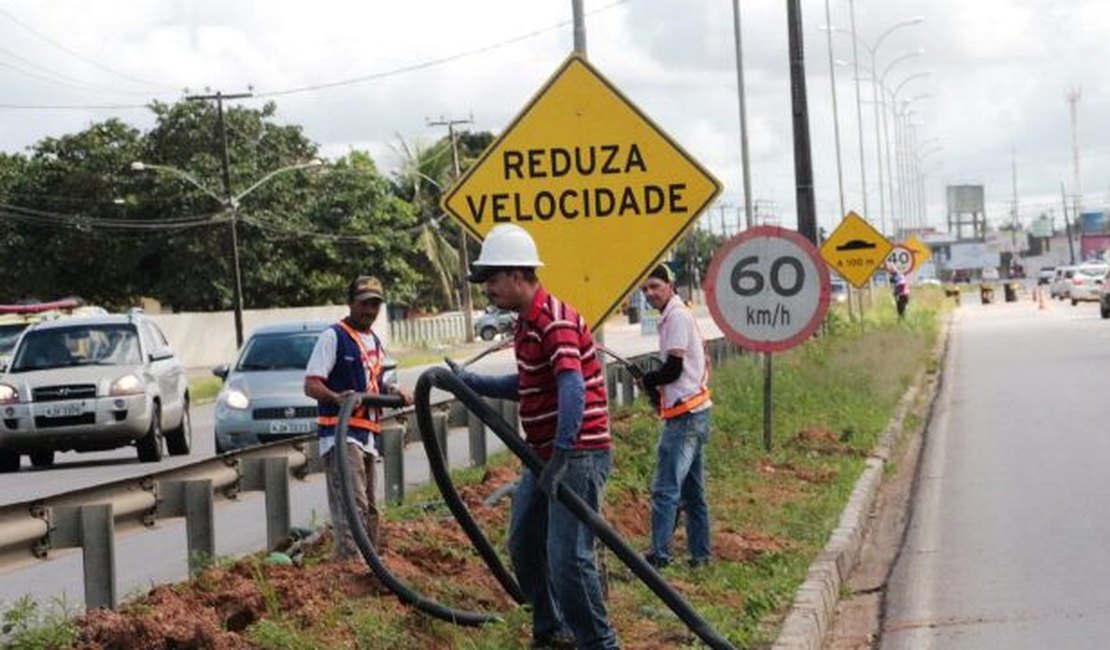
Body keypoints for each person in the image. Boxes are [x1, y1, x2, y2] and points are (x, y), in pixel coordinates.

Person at [450, 224, 619, 650]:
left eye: (492, 279)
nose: (487, 289)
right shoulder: (525, 325)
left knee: (568, 557)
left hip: (576, 454)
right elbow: (526, 383)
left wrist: (561, 458)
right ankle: (551, 630)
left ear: (517, 275)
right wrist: (470, 382)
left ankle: (598, 642)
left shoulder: (553, 320)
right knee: (524, 544)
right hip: (543, 455)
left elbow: (572, 387)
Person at [304, 275, 411, 561]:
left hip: (367, 435)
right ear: (351, 303)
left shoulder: (374, 340)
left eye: (375, 305)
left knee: (371, 507)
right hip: (341, 435)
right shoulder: (334, 336)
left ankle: (370, 565)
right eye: (364, 304)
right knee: (354, 502)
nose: (369, 311)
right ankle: (351, 564)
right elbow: (311, 384)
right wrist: (337, 398)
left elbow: (378, 382)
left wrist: (394, 392)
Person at [638, 264, 712, 569]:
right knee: (693, 491)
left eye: (655, 286)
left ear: (671, 285)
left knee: (666, 488)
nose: (650, 294)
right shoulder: (672, 315)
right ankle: (701, 555)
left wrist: (648, 380)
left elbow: (673, 369)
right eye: (644, 290)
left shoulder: (677, 316)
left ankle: (659, 555)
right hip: (694, 410)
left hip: (686, 414)